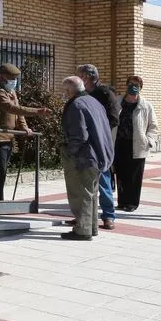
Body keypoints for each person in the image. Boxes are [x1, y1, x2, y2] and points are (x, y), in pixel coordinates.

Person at [59, 76, 114, 240]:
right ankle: (91, 228)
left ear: (70, 90)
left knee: (81, 194)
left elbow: (79, 134)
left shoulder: (76, 105)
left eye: (65, 91)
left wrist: (72, 152)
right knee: (91, 194)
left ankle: (82, 230)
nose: (65, 94)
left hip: (84, 157)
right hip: (98, 155)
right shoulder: (94, 102)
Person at [0, 64, 50, 201]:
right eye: (11, 79)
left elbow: (19, 113)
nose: (14, 82)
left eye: (15, 79)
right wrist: (37, 112)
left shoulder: (11, 91)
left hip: (9, 136)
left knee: (2, 172)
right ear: (2, 77)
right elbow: (11, 108)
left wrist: (24, 127)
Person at [77, 64, 120, 228]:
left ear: (87, 77)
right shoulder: (81, 94)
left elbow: (114, 118)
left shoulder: (105, 93)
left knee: (103, 179)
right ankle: (85, 215)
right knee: (83, 182)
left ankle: (108, 216)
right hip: (84, 143)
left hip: (100, 143)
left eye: (81, 75)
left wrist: (98, 131)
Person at [114, 75, 158, 212]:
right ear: (126, 85)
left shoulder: (146, 105)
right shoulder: (117, 102)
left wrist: (149, 141)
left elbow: (153, 126)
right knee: (120, 174)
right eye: (131, 84)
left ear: (140, 88)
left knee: (134, 175)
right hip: (119, 143)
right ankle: (122, 202)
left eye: (137, 86)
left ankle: (132, 203)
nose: (133, 87)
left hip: (137, 144)